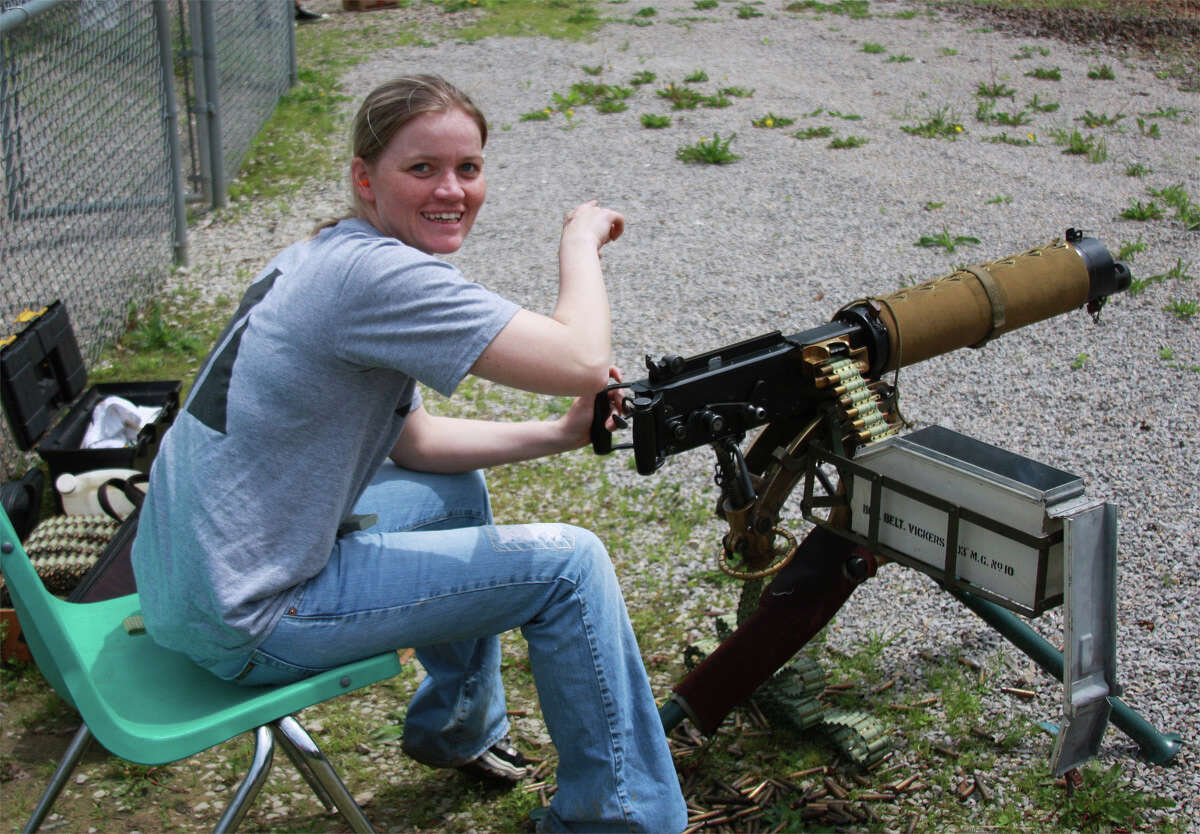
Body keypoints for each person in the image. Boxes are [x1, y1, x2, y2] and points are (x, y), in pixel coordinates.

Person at [130, 74, 688, 833]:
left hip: (183, 582)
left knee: (454, 494)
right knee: (570, 564)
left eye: (469, 168)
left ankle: (458, 729)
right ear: (366, 178)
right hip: (250, 612)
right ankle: (618, 821)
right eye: (421, 169)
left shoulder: (328, 251)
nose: (452, 190)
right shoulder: (376, 277)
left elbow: (419, 446)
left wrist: (560, 434)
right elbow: (583, 358)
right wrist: (579, 240)